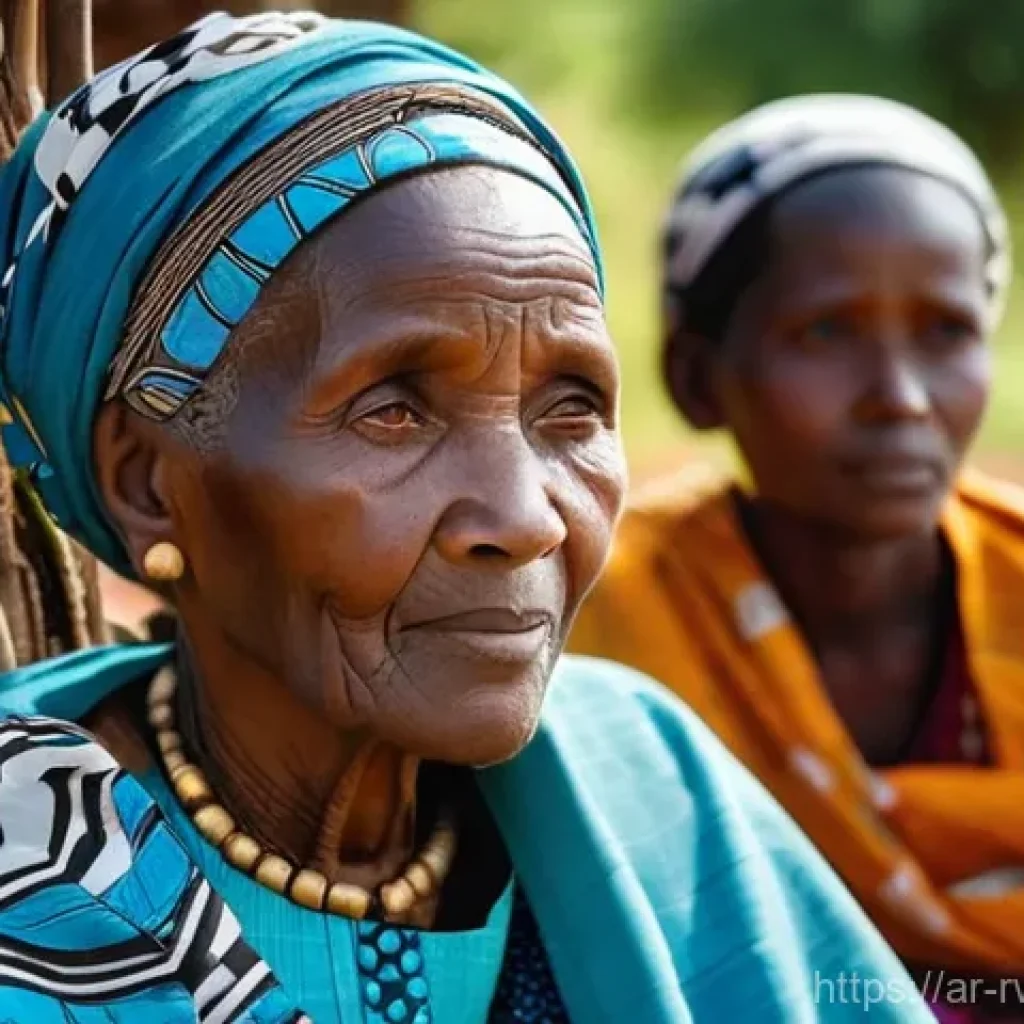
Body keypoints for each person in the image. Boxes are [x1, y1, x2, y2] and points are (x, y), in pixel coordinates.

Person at [0, 25, 929, 1020]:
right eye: (393, 409)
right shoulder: (33, 874)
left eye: (570, 406)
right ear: (148, 481)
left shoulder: (655, 789)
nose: (526, 518)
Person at [570, 94, 1024, 1022]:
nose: (900, 398)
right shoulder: (596, 622)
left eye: (946, 331)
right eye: (826, 332)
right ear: (697, 378)